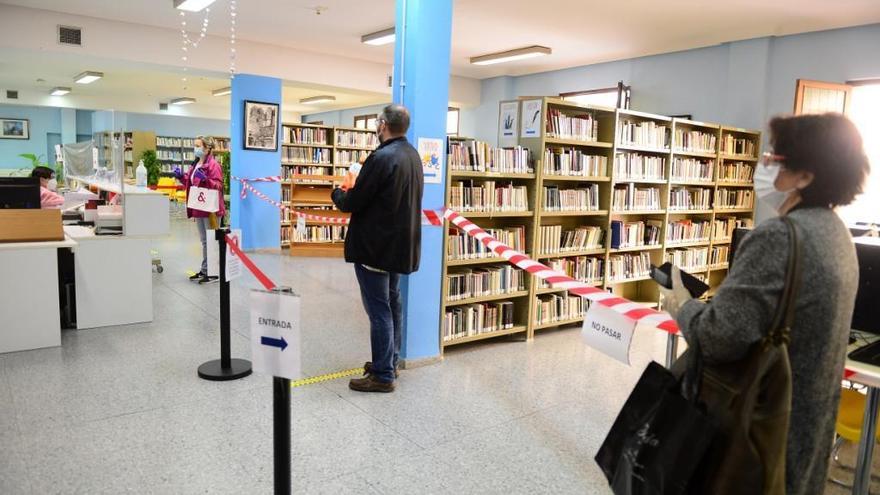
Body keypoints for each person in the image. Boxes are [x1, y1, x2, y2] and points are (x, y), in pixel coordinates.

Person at [660, 113, 870, 495]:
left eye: (776, 158)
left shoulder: (779, 236)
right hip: (804, 424)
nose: (765, 164)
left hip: (752, 428)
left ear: (805, 176)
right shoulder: (837, 234)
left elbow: (718, 338)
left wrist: (681, 305)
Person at [331, 104, 424, 393]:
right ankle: (390, 360)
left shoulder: (381, 158)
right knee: (393, 302)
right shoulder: (413, 156)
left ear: (382, 125)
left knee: (378, 309)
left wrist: (339, 191)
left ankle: (383, 375)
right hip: (399, 247)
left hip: (376, 246)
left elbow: (353, 202)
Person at [175, 136, 225, 284]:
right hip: (200, 206)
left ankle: (214, 273)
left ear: (207, 148)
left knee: (212, 241)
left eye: (198, 146)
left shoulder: (213, 165)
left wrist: (206, 180)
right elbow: (191, 182)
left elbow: (219, 186)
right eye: (194, 145)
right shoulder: (196, 163)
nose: (195, 148)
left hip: (211, 210)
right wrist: (181, 177)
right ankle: (205, 270)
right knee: (205, 241)